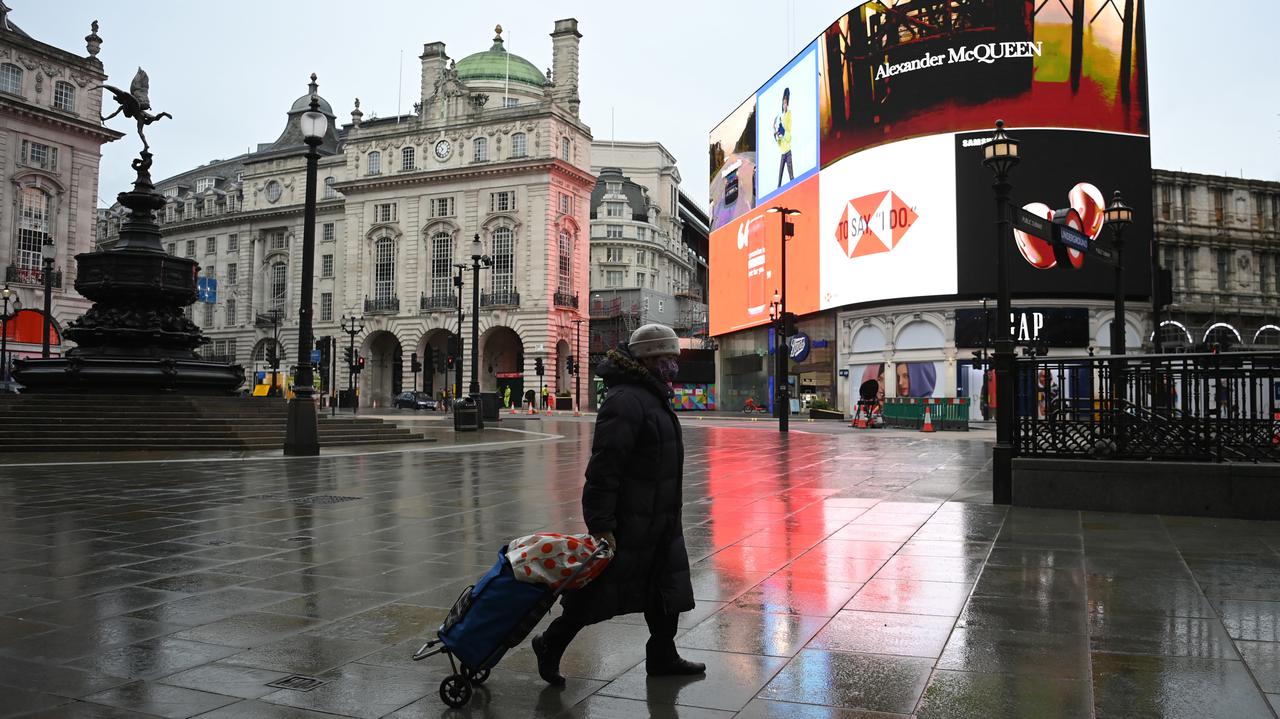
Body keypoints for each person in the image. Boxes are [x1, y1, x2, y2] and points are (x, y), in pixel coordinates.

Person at [533, 324, 702, 684]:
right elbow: (604, 468)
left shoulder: (653, 395)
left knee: (666, 589)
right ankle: (550, 643)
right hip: (630, 519)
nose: (674, 364)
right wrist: (602, 524)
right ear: (650, 359)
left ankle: (662, 655)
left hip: (661, 517)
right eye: (668, 357)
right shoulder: (626, 400)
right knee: (596, 593)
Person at [773, 87, 793, 187]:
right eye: (783, 102)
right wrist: (776, 136)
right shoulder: (781, 117)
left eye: (785, 103)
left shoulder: (789, 114)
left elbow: (789, 137)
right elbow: (780, 142)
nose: (784, 104)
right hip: (782, 153)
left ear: (787, 104)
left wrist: (783, 131)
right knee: (779, 181)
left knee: (791, 177)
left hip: (788, 152)